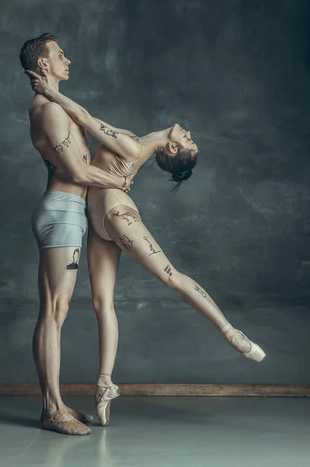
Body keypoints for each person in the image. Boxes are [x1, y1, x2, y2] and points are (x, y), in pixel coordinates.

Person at [26, 69, 266, 427]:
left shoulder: (134, 146)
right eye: (190, 138)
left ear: (171, 148)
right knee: (101, 303)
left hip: (116, 215)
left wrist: (51, 93)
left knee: (170, 276)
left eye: (187, 141)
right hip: (99, 224)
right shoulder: (135, 143)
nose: (187, 134)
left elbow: (86, 119)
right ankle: (105, 384)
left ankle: (231, 331)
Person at [19, 33, 133, 435]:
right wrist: (119, 183)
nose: (68, 59)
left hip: (70, 212)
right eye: (59, 54)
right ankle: (52, 410)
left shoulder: (58, 106)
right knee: (55, 310)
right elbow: (79, 172)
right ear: (43, 64)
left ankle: (58, 402)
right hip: (63, 212)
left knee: (56, 309)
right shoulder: (47, 111)